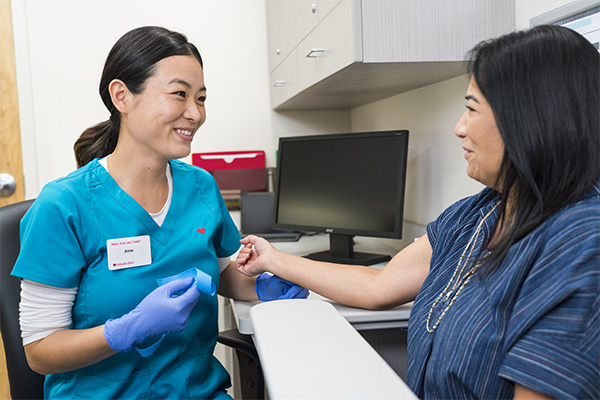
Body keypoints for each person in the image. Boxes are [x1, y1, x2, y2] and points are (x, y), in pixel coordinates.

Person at [236, 25, 600, 400]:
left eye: (472, 109)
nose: (459, 128)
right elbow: (377, 286)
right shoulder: (477, 213)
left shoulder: (582, 239)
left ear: (531, 118)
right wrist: (274, 259)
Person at [11, 26, 305, 399]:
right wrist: (126, 330)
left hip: (198, 391)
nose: (195, 113)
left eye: (201, 98)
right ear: (122, 96)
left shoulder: (200, 187)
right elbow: (39, 352)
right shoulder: (64, 205)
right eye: (179, 94)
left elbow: (219, 269)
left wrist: (262, 287)